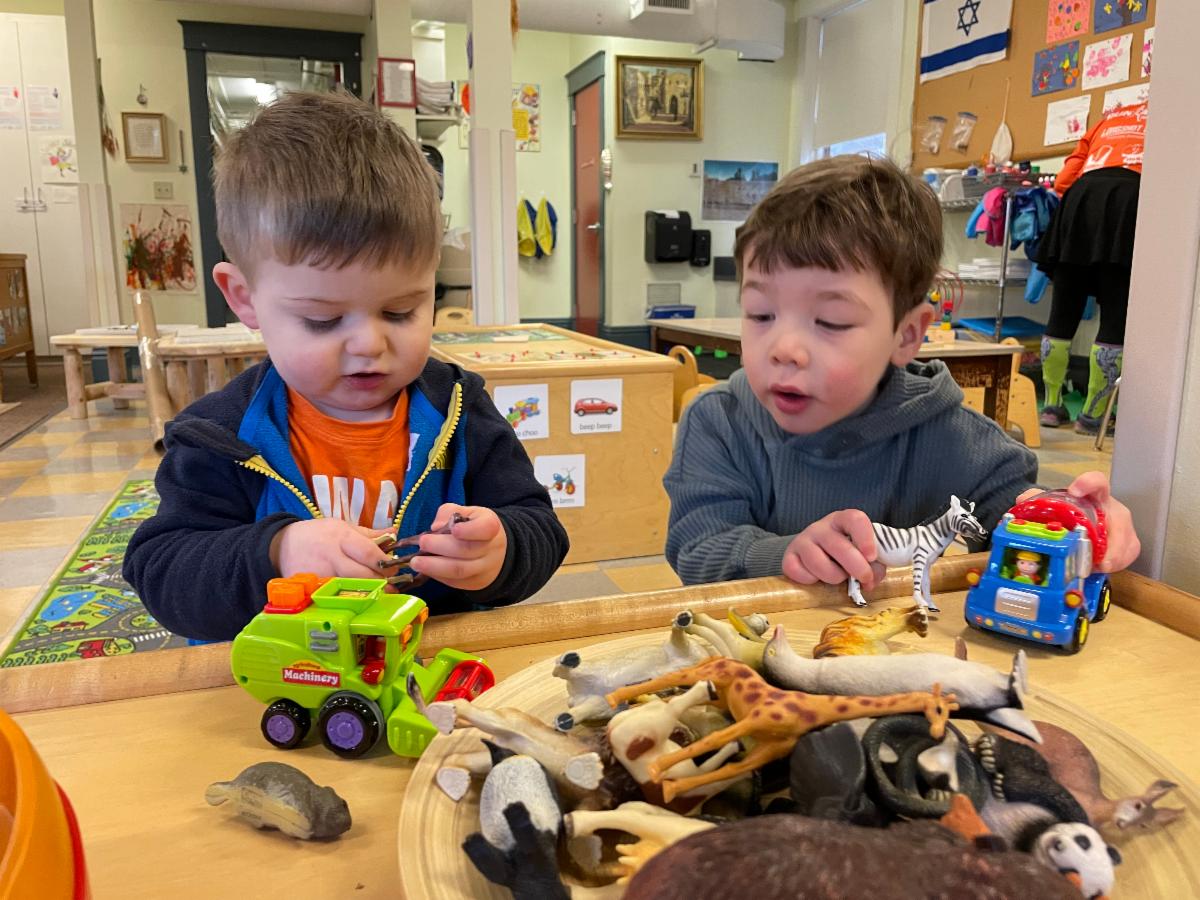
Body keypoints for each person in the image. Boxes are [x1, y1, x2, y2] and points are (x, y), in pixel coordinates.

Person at [124, 91, 568, 641]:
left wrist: (501, 551)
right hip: (276, 675)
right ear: (243, 298)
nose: (369, 344)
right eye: (323, 319)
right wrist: (277, 553)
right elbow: (163, 571)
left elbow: (540, 528)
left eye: (401, 311)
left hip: (428, 663)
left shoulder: (460, 409)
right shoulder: (218, 434)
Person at [664, 155, 1140, 592]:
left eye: (830, 321)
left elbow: (1012, 512)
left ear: (906, 335)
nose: (784, 349)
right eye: (760, 313)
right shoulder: (719, 422)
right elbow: (698, 548)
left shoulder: (948, 435)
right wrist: (784, 554)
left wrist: (1076, 518)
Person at [1036, 100, 1146, 434]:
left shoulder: (1111, 116)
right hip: (1131, 199)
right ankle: (1093, 416)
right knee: (1115, 312)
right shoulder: (1174, 114)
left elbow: (1064, 180)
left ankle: (1051, 406)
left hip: (1081, 199)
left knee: (1063, 310)